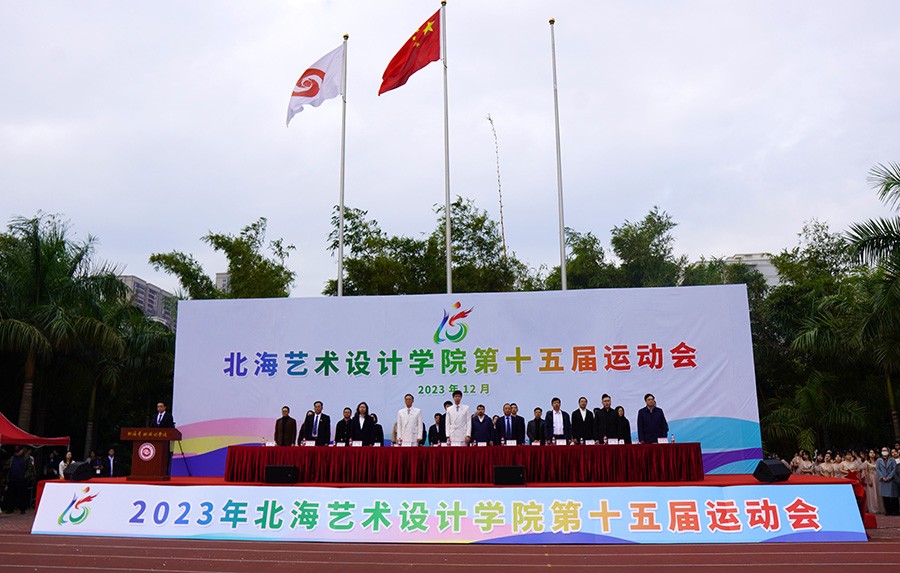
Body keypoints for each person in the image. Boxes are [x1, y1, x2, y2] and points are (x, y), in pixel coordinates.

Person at [2, 446, 35, 514]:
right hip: (12, 479)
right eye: (15, 452)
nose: (16, 453)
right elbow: (6, 465)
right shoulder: (12, 458)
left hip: (21, 479)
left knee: (21, 495)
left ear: (22, 450)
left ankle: (22, 509)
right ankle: (10, 508)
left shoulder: (26, 458)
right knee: (11, 495)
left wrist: (26, 476)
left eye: (18, 451)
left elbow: (30, 468)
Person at [877, 447, 899, 516]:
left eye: (885, 450)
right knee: (885, 497)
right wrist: (882, 477)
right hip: (883, 480)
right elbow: (878, 469)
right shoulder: (879, 460)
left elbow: (894, 469)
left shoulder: (892, 460)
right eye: (883, 450)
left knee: (893, 496)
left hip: (891, 480)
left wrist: (889, 477)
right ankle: (888, 511)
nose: (884, 451)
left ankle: (895, 511)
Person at [863, 450, 885, 514]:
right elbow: (866, 472)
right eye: (871, 452)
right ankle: (873, 508)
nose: (872, 454)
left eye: (873, 452)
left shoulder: (878, 461)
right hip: (871, 477)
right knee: (872, 493)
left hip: (877, 478)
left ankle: (880, 507)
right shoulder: (866, 462)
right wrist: (869, 480)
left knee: (878, 492)